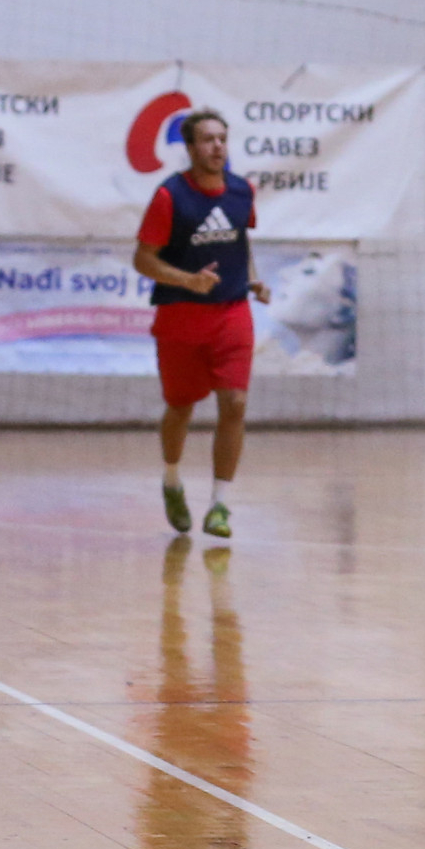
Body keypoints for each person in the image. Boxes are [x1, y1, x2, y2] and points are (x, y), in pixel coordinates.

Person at [134, 109, 268, 540]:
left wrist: (252, 279)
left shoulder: (242, 191)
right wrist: (188, 280)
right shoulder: (169, 196)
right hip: (180, 317)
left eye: (222, 138)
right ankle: (172, 480)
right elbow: (143, 259)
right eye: (208, 139)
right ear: (190, 148)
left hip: (232, 314)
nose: (217, 146)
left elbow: (240, 240)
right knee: (180, 407)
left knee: (235, 404)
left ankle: (220, 504)